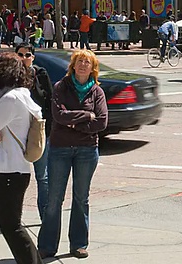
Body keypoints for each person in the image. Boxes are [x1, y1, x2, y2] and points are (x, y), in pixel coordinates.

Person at [0, 52, 44, 264]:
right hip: (3, 169)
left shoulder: (11, 99)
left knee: (11, 226)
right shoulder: (21, 95)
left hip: (9, 172)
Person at [38, 50, 108, 259]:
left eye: (87, 62)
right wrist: (87, 115)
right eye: (80, 61)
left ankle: (78, 244)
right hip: (60, 149)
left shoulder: (97, 92)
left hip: (87, 150)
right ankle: (48, 245)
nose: (83, 65)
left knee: (81, 198)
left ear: (93, 67)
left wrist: (73, 123)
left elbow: (102, 122)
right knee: (54, 198)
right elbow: (58, 115)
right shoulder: (60, 87)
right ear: (73, 65)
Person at [15, 43, 52, 220]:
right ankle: (12, 216)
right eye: (20, 55)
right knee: (15, 175)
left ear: (33, 57)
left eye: (27, 55)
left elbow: (48, 100)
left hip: (37, 130)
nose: (23, 58)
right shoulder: (10, 77)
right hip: (16, 131)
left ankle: (45, 215)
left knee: (42, 176)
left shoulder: (40, 74)